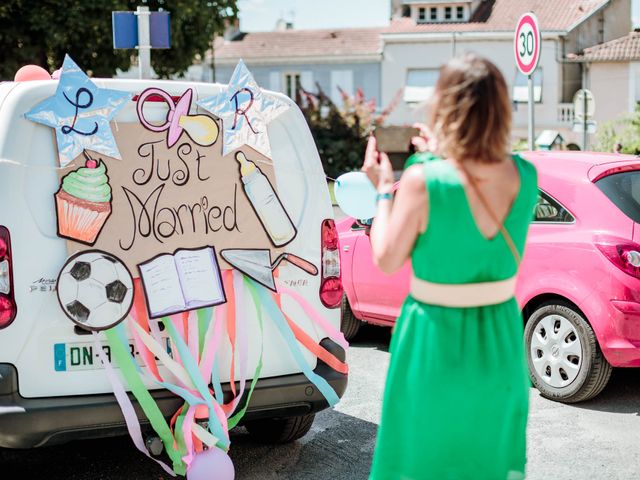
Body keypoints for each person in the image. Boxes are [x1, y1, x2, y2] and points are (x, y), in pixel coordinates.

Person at [363, 54, 538, 480]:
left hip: (434, 340)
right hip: (498, 340)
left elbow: (385, 258)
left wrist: (385, 190)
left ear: (444, 108)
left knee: (425, 461)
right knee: (487, 463)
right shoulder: (526, 176)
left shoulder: (423, 180)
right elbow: (473, 177)